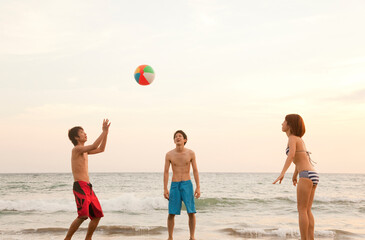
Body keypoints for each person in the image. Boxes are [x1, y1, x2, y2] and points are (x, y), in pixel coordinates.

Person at [273, 114, 319, 240]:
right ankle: (310, 238)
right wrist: (294, 174)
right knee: (308, 210)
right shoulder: (300, 139)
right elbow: (300, 158)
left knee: (302, 210)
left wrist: (282, 173)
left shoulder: (292, 138)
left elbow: (292, 155)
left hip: (305, 174)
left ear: (289, 125)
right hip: (312, 174)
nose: (282, 123)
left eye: (284, 121)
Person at [65, 119, 111, 240]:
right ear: (76, 137)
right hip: (80, 186)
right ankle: (67, 238)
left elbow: (101, 149)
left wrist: (106, 133)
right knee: (83, 215)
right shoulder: (77, 149)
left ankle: (88, 238)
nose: (85, 134)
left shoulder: (85, 151)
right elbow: (95, 145)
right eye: (82, 132)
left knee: (97, 215)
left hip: (88, 187)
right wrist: (103, 131)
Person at [163, 130, 201, 240]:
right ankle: (170, 237)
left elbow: (195, 170)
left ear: (185, 140)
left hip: (187, 184)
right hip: (175, 185)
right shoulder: (169, 154)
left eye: (180, 136)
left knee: (191, 212)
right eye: (175, 136)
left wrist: (198, 187)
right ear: (174, 140)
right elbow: (166, 172)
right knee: (171, 213)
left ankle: (192, 237)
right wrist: (165, 188)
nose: (177, 137)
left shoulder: (191, 153)